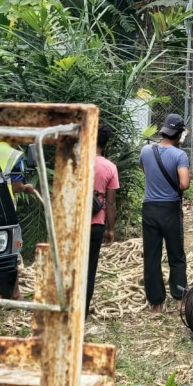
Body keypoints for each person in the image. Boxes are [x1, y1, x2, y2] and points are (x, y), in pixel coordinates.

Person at [139, 113, 190, 313]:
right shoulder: (179, 155)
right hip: (170, 209)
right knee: (176, 255)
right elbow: (184, 184)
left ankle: (156, 304)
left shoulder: (145, 150)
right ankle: (180, 300)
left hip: (149, 208)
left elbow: (145, 170)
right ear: (178, 134)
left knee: (151, 256)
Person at [86, 124, 119, 315]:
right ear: (105, 144)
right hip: (96, 224)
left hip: (74, 224)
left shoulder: (76, 161)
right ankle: (83, 311)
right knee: (89, 268)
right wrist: (110, 229)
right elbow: (111, 202)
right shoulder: (110, 167)